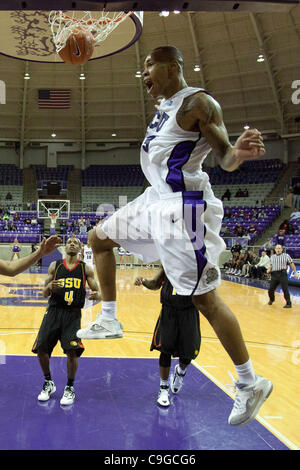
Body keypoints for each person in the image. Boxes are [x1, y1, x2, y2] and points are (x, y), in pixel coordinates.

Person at [77, 45, 272, 426]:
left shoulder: (198, 103)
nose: (144, 74)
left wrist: (240, 154)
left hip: (183, 209)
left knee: (204, 301)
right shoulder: (165, 107)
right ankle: (111, 318)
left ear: (172, 66)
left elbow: (225, 156)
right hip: (155, 199)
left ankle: (250, 382)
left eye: (149, 66)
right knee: (97, 239)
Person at [32, 237, 101, 405]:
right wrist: (49, 288)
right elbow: (43, 293)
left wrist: (98, 294)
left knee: (71, 351)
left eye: (75, 242)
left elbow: (98, 291)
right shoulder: (55, 266)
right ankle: (48, 382)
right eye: (69, 241)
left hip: (73, 314)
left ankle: (69, 387)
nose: (72, 243)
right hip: (54, 311)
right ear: (65, 246)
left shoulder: (86, 268)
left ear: (80, 248)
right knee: (41, 347)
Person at [134, 267, 201, 407]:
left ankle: (180, 372)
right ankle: (163, 388)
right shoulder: (167, 263)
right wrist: (144, 281)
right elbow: (155, 283)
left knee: (188, 354)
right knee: (165, 349)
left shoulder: (196, 263)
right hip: (168, 311)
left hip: (189, 312)